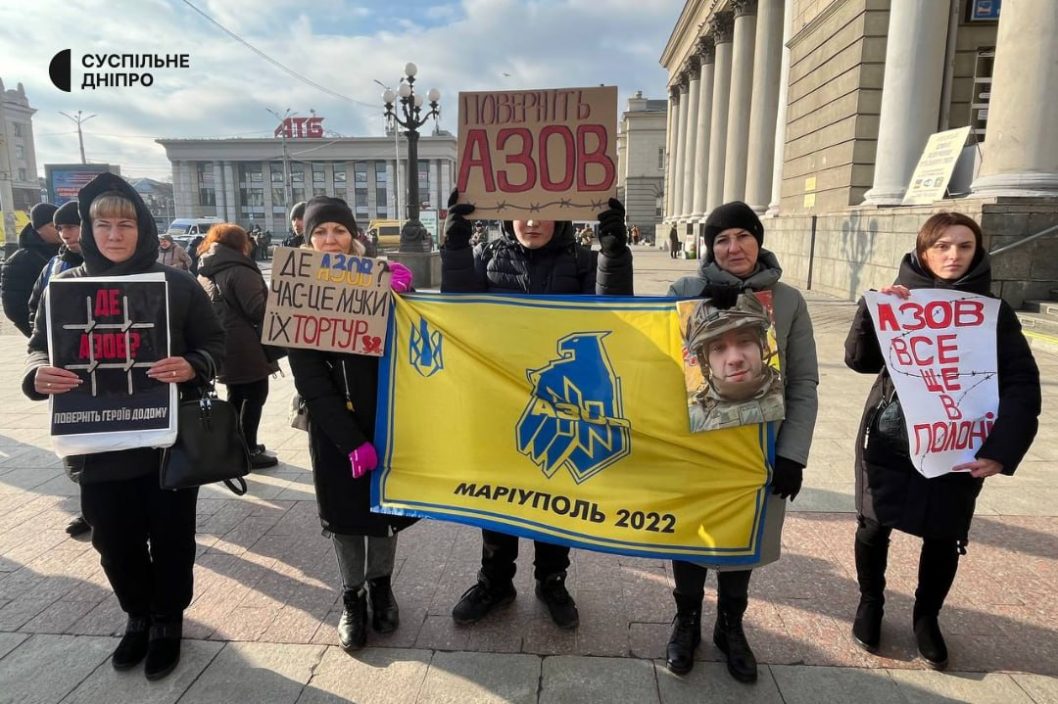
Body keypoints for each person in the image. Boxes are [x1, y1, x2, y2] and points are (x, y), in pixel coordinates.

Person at [21, 172, 224, 680]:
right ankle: (137, 613)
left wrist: (194, 364)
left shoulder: (176, 284)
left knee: (173, 536)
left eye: (126, 224)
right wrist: (36, 374)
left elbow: (217, 345)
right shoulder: (66, 287)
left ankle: (167, 619)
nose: (115, 235)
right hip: (97, 442)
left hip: (166, 442)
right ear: (88, 230)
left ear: (143, 228)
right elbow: (39, 347)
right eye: (103, 224)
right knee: (113, 538)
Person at [844, 212, 1040, 670]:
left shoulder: (994, 314)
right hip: (890, 438)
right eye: (942, 246)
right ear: (923, 250)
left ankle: (926, 617)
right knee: (874, 524)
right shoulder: (899, 301)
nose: (953, 256)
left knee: (945, 535)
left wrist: (1001, 449)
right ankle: (870, 602)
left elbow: (1021, 383)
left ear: (978, 252)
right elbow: (858, 360)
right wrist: (871, 311)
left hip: (958, 441)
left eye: (964, 246)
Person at [441, 189, 633, 630]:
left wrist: (614, 253)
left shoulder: (584, 262)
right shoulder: (487, 257)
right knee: (497, 496)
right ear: (505, 217)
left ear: (561, 215)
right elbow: (456, 310)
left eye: (542, 213)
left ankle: (552, 580)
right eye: (520, 213)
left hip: (563, 403)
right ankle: (495, 581)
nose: (531, 222)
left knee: (557, 493)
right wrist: (454, 248)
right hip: (497, 404)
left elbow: (614, 312)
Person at [665, 201, 818, 682]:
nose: (733, 248)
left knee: (744, 538)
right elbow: (657, 367)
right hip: (699, 447)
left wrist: (792, 453)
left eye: (742, 236)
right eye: (722, 239)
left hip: (760, 448)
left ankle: (731, 625)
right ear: (709, 246)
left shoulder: (789, 300)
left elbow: (803, 381)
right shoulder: (685, 292)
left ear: (759, 239)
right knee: (691, 534)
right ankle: (685, 619)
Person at [287, 196, 417, 652]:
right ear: (308, 239)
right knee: (344, 518)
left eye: (338, 231)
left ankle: (382, 586)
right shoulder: (297, 289)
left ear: (353, 236)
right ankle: (352, 597)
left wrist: (406, 298)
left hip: (386, 419)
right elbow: (309, 378)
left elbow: (413, 347)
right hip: (333, 428)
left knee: (384, 511)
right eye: (320, 233)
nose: (329, 240)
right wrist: (348, 440)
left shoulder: (379, 279)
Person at [26, 200, 89, 537]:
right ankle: (90, 508)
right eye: (62, 228)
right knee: (77, 448)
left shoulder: (132, 272)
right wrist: (43, 361)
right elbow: (35, 319)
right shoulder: (53, 268)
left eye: (73, 226)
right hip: (68, 377)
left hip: (119, 377)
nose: (67, 235)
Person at [196, 223, 280, 470]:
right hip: (246, 346)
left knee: (236, 395)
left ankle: (235, 444)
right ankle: (248, 449)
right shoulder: (240, 270)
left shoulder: (205, 268)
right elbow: (258, 310)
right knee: (255, 395)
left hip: (223, 344)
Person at [683, 294, 784, 432]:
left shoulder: (790, 399)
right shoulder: (697, 419)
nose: (734, 359)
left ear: (764, 345)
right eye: (718, 348)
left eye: (744, 341)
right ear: (705, 361)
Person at [2, 202, 60, 336]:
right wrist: (37, 334)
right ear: (38, 229)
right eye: (52, 226)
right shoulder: (20, 260)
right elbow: (14, 307)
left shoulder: (67, 254)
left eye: (60, 225)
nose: (58, 230)